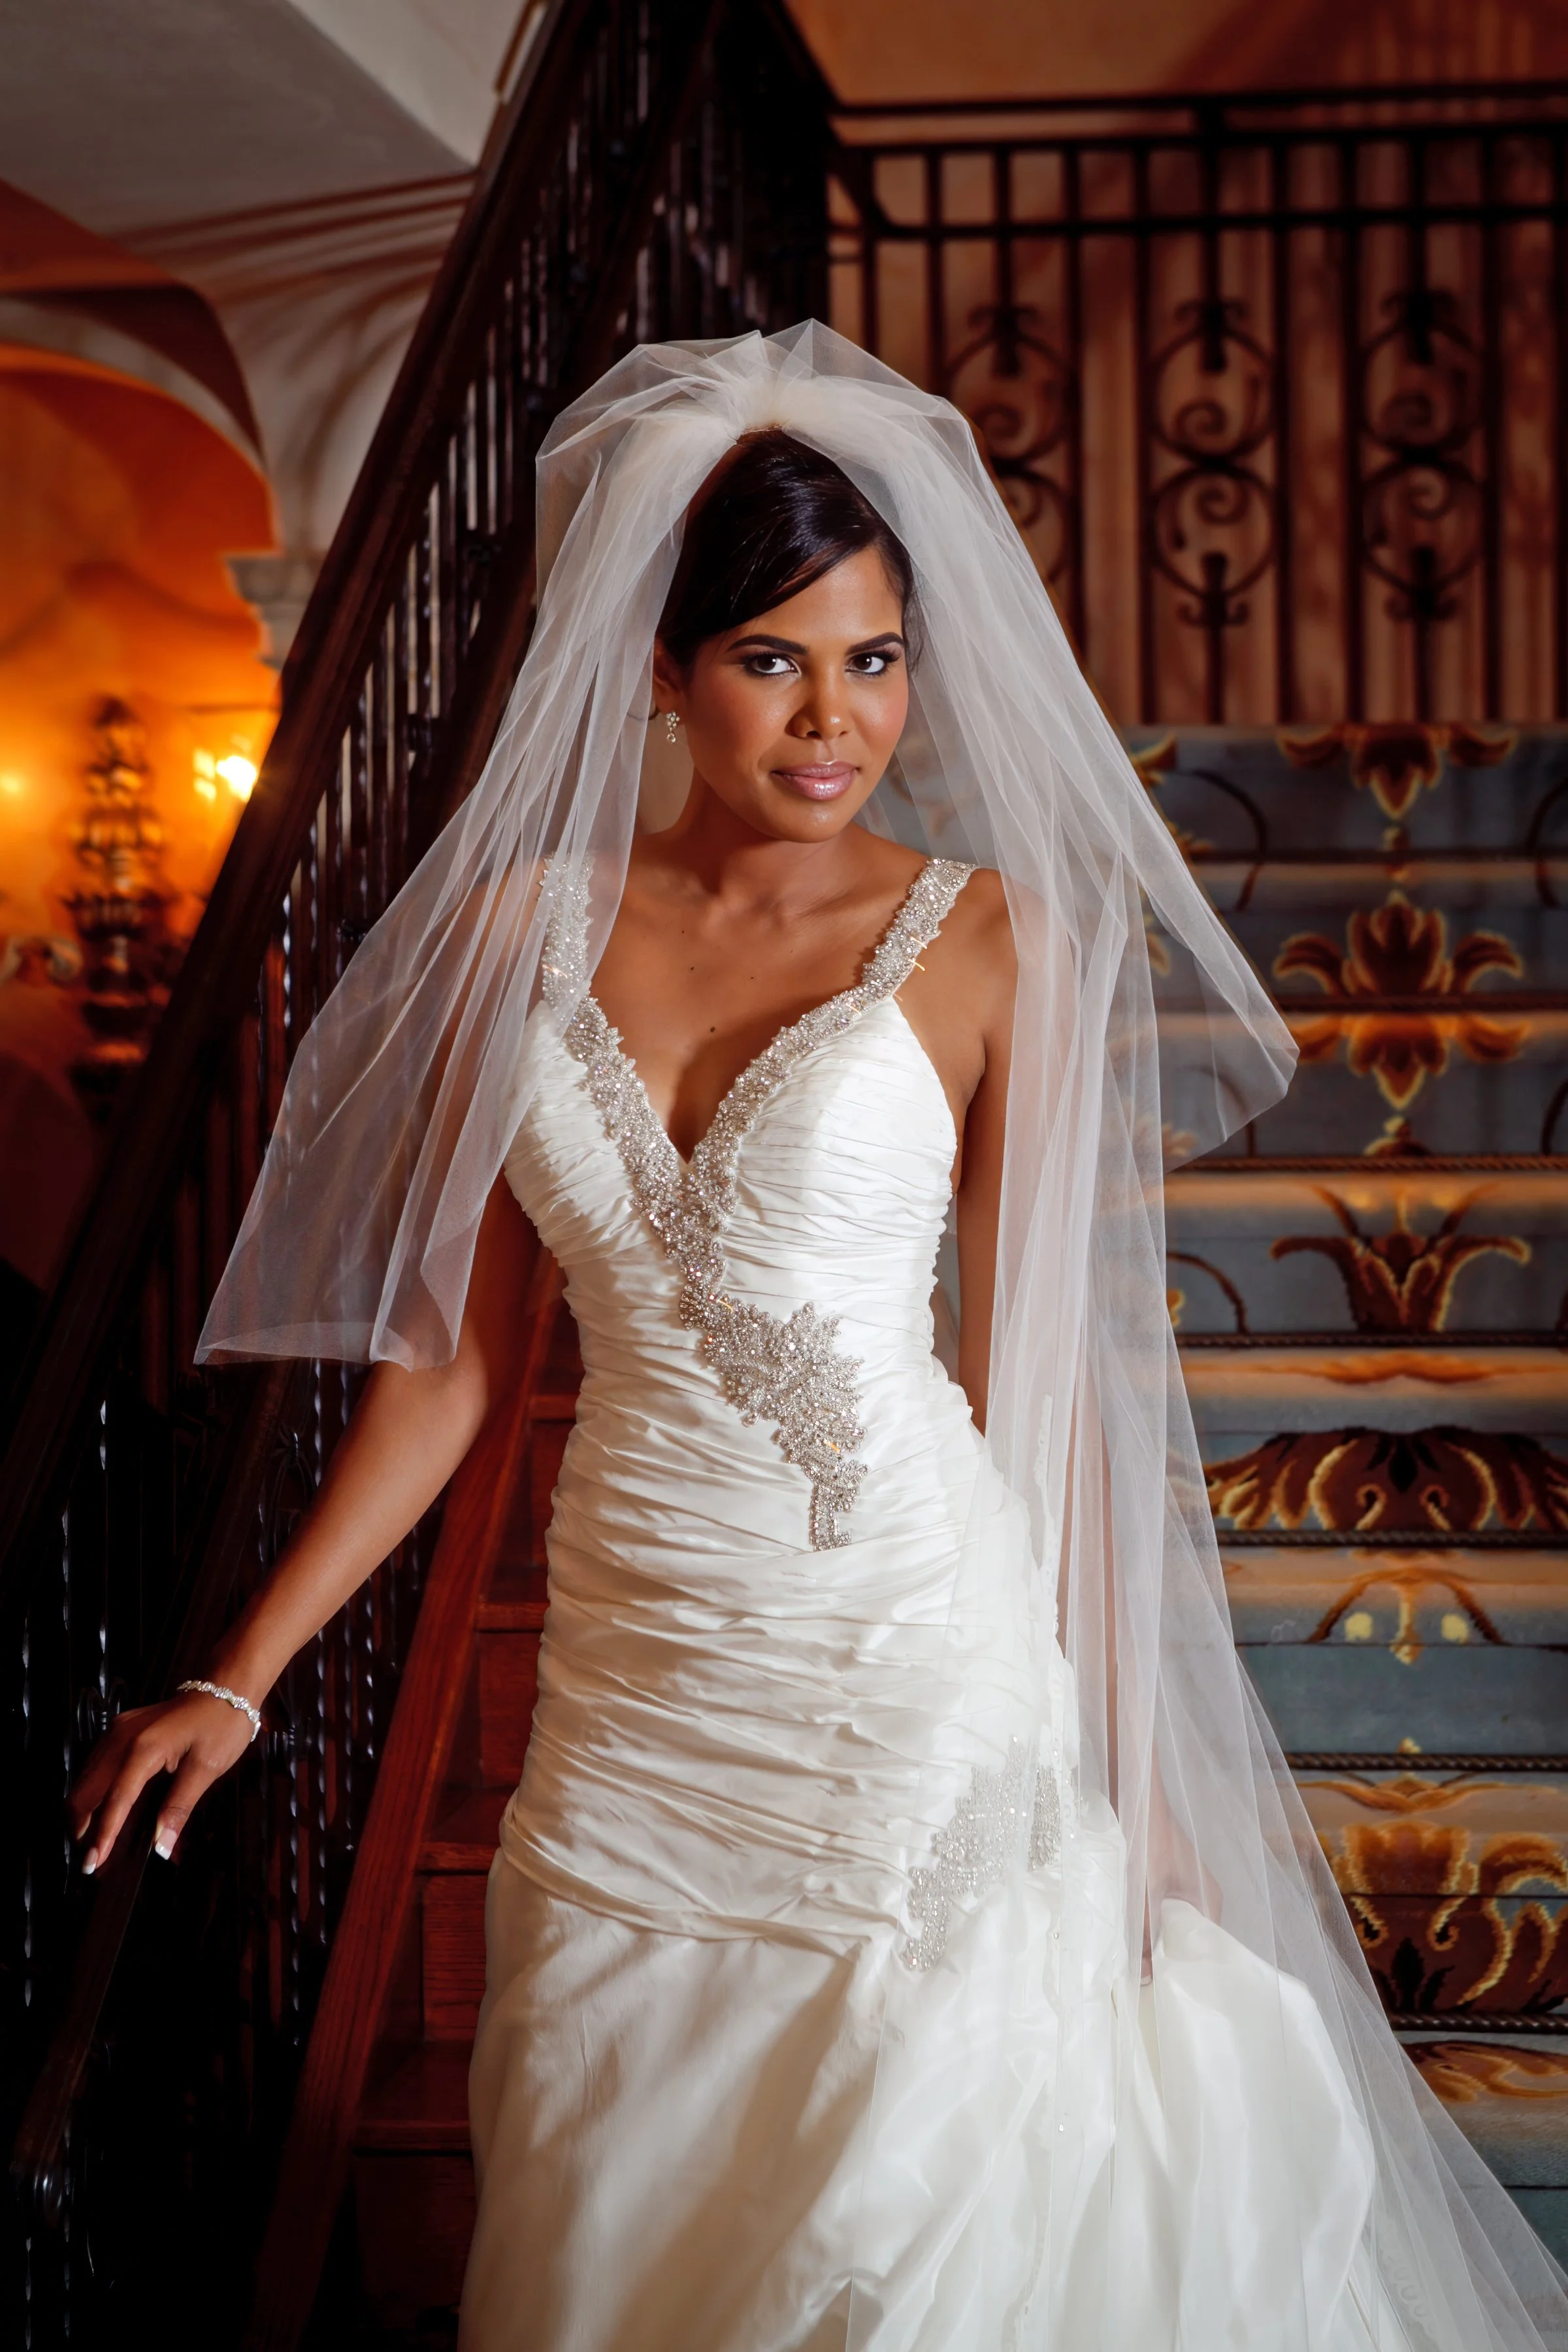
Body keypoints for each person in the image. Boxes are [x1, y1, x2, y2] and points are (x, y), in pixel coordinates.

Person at [69, 325, 1568, 2350]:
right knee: (623, 2209)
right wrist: (239, 1680)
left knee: (903, 2232)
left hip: (907, 1671)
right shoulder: (520, 929)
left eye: (875, 660)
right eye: (774, 659)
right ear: (663, 668)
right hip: (636, 1702)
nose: (832, 718)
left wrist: (1156, 1798)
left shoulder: (987, 938)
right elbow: (453, 1371)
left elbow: (1067, 1402)